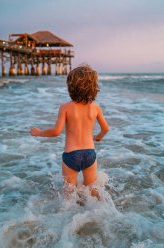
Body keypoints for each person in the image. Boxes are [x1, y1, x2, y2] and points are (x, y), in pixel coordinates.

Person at [30, 64, 109, 199]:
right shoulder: (95, 108)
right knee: (92, 190)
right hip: (89, 154)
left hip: (71, 155)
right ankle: (98, 214)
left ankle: (69, 216)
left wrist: (39, 132)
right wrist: (99, 137)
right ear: (93, 87)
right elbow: (105, 129)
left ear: (70, 87)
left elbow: (56, 132)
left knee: (69, 194)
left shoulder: (65, 107)